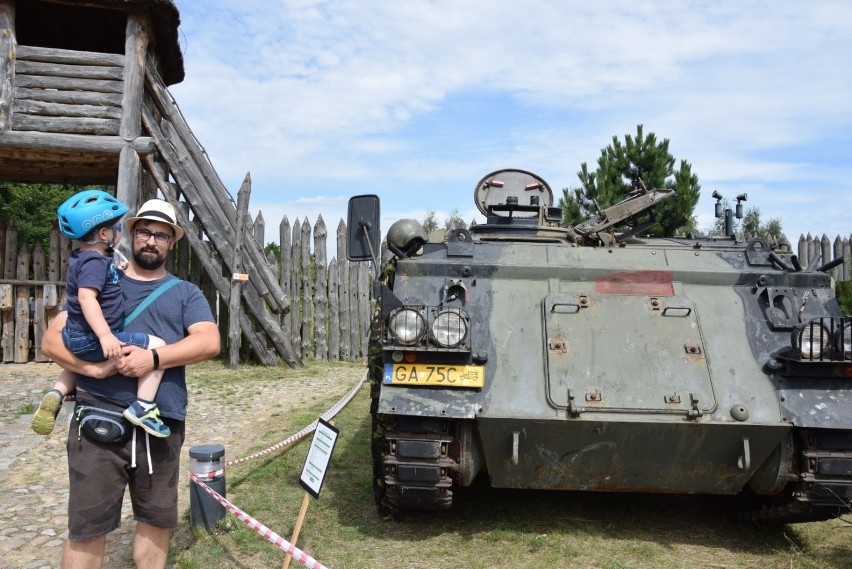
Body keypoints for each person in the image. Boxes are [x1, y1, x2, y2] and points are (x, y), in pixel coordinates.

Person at [42, 198, 221, 569]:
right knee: (86, 529)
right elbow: (51, 341)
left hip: (160, 422)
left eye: (161, 234)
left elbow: (208, 341)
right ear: (130, 234)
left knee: (156, 523)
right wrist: (92, 372)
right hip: (97, 421)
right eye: (145, 231)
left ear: (172, 242)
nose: (151, 240)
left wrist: (152, 359)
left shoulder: (186, 293)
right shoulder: (101, 279)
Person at [32, 189, 170, 438]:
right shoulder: (95, 262)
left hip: (74, 335)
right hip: (92, 337)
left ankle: (56, 393)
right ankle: (144, 406)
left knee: (81, 358)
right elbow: (87, 297)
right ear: (104, 233)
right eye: (116, 228)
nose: (119, 232)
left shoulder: (82, 258)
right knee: (157, 346)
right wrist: (106, 335)